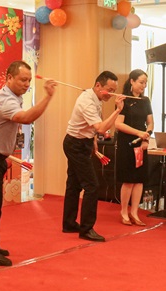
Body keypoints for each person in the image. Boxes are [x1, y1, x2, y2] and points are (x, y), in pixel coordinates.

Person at [0, 61, 56, 266]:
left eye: (29, 80)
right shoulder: (6, 100)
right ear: (9, 78)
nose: (27, 84)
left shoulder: (12, 96)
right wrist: (48, 96)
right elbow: (26, 118)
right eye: (22, 80)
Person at [62, 71, 124, 241]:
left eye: (114, 91)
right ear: (98, 85)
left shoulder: (95, 98)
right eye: (109, 90)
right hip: (75, 144)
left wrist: (93, 140)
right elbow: (101, 128)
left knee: (74, 184)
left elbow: (92, 127)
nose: (111, 94)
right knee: (92, 186)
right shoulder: (87, 101)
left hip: (83, 142)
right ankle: (86, 229)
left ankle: (69, 223)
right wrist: (118, 110)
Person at [114, 69, 154, 226]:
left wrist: (146, 136)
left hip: (142, 143)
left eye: (145, 83)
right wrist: (138, 133)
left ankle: (135, 212)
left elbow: (150, 123)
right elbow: (118, 124)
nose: (143, 86)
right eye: (141, 82)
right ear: (132, 81)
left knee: (139, 180)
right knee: (129, 180)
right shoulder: (123, 99)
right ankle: (124, 211)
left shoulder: (146, 101)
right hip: (126, 143)